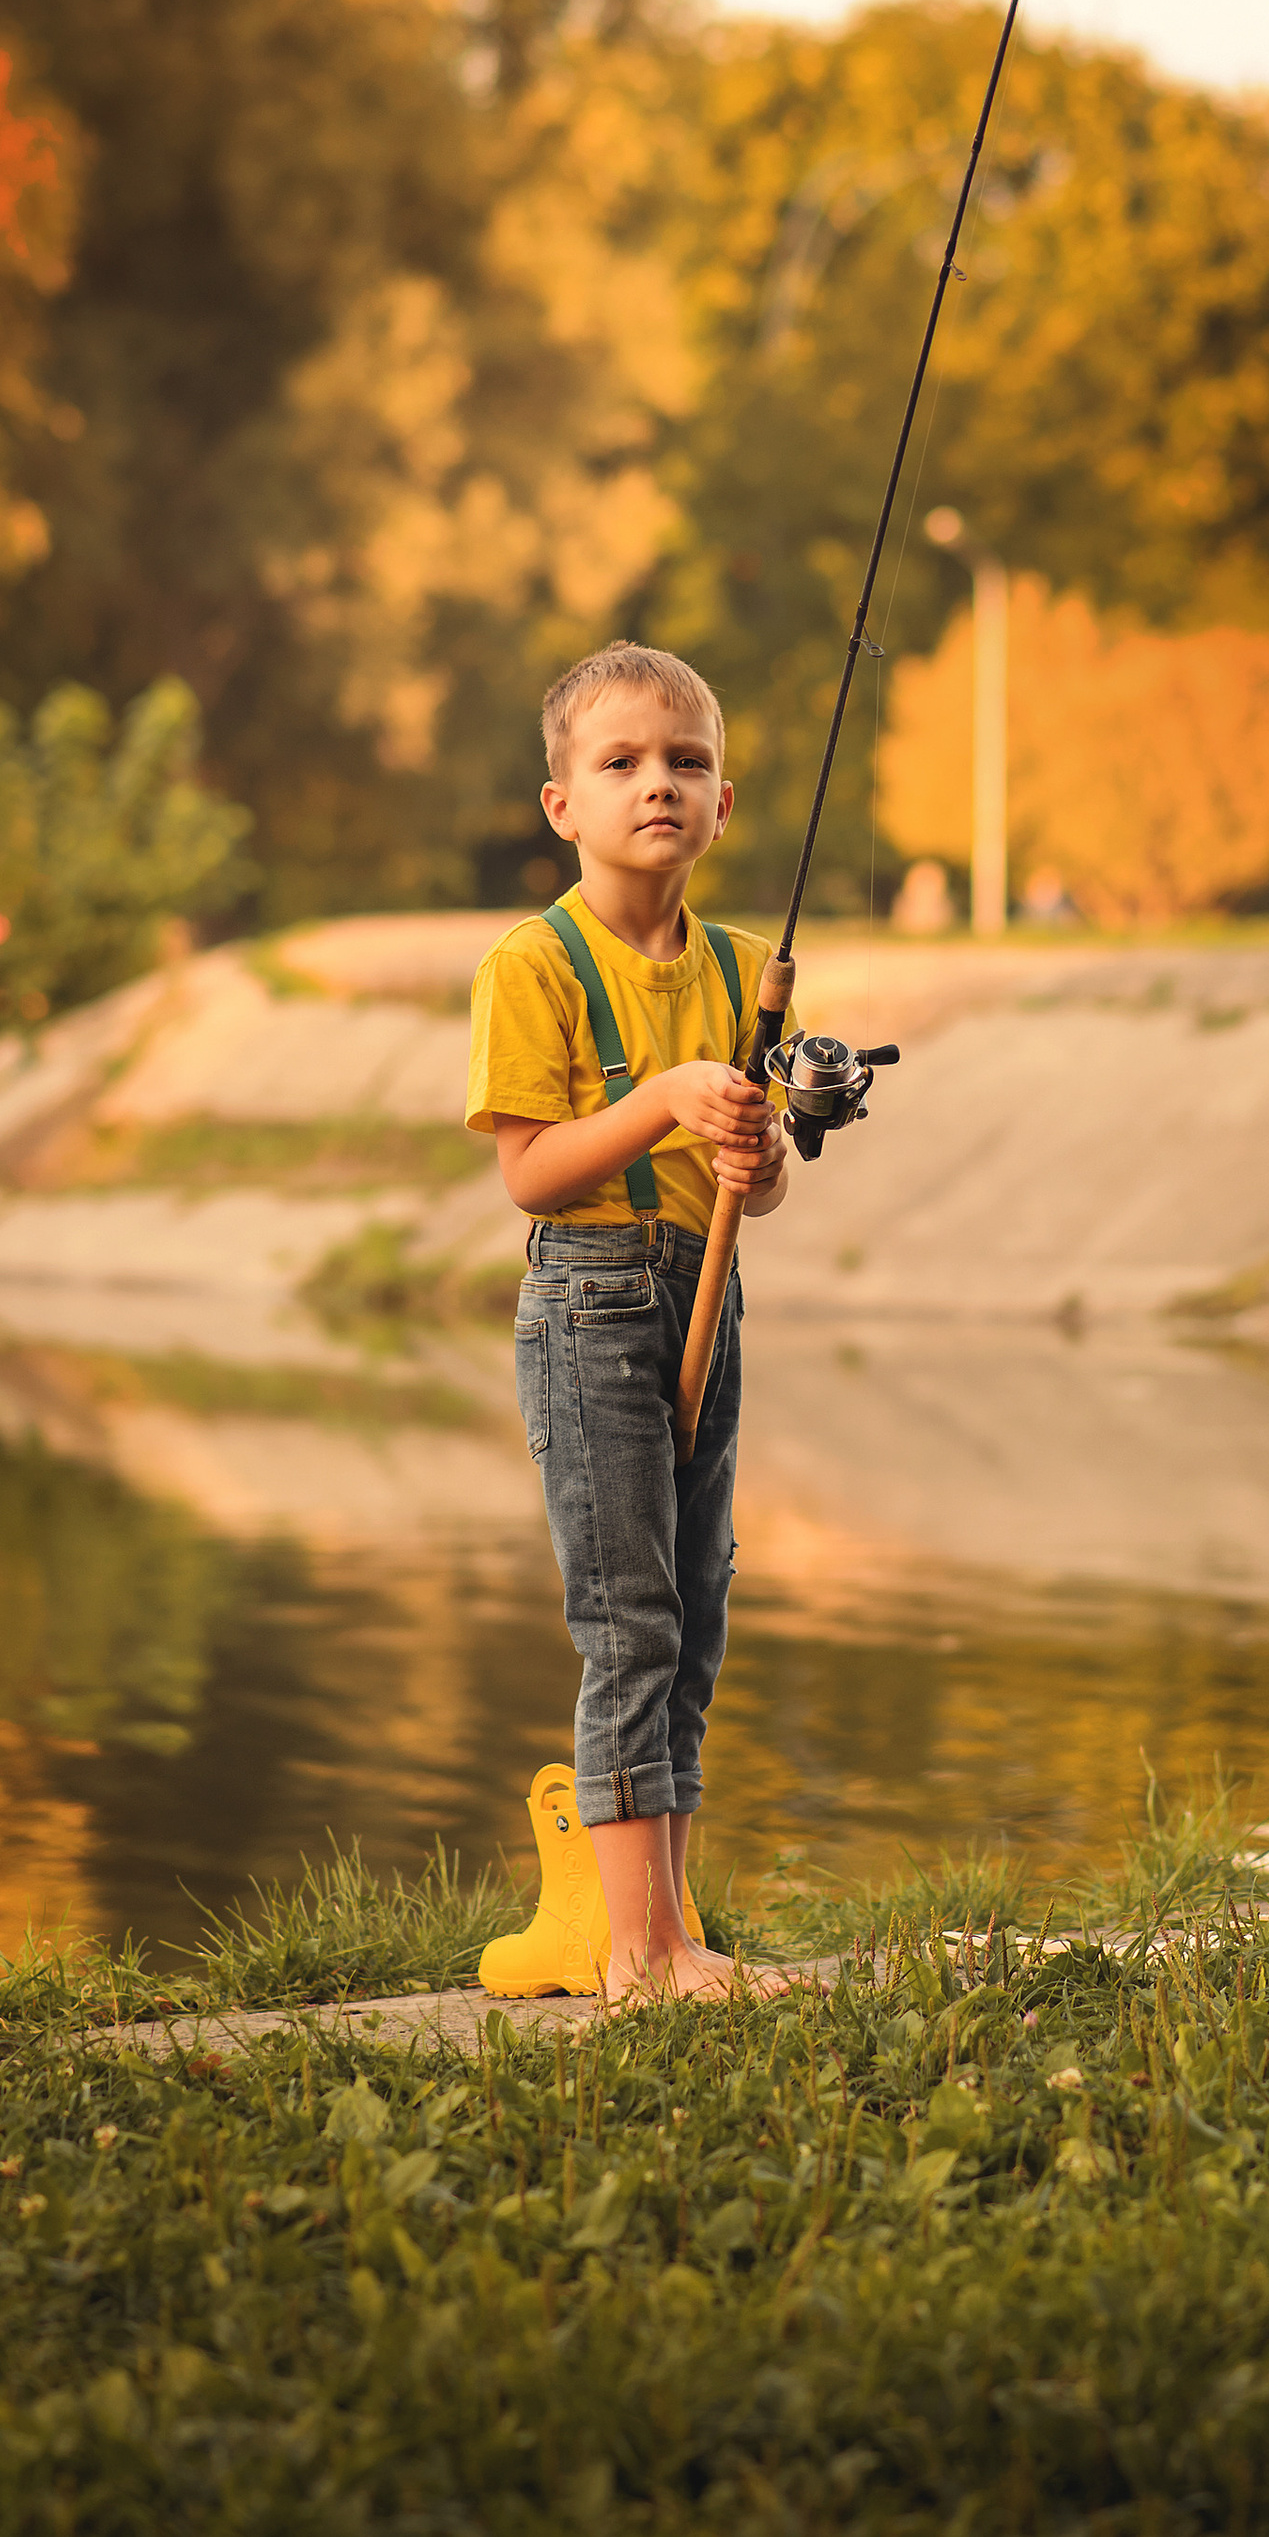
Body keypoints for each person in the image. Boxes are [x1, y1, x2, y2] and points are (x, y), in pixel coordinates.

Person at [465, 640, 790, 2002]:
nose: (658, 783)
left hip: (704, 1302)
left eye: (688, 761)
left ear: (723, 804)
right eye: (622, 762)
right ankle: (637, 1953)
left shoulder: (736, 966)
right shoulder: (529, 965)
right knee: (628, 1623)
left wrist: (757, 1165)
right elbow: (533, 1174)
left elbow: (751, 1186)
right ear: (564, 807)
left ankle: (672, 1928)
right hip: (590, 1299)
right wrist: (665, 1099)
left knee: (696, 1616)